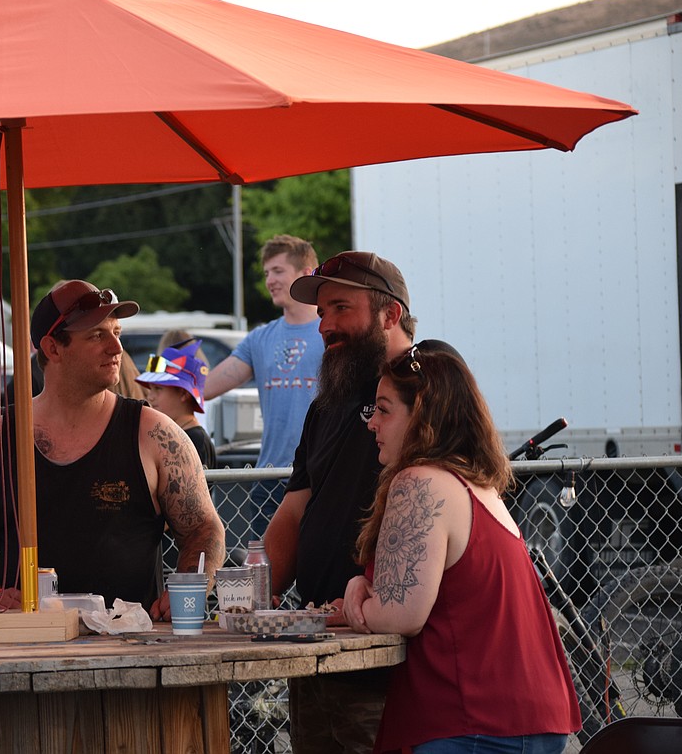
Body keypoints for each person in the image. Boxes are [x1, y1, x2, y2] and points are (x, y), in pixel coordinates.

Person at [0, 280, 225, 620]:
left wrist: (187, 589)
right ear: (53, 348)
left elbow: (204, 528)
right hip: (27, 645)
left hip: (131, 647)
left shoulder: (154, 433)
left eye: (116, 332)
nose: (116, 347)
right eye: (96, 335)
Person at [344, 343, 581, 753]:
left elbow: (401, 614)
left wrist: (356, 599)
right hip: (530, 717)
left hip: (474, 722)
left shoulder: (421, 481)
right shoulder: (478, 485)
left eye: (384, 409)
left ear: (422, 414)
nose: (372, 423)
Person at [264, 250, 416, 754]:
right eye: (322, 311)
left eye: (341, 308)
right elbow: (294, 509)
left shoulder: (428, 390)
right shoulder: (324, 407)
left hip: (388, 660)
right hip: (315, 647)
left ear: (389, 314)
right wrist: (252, 590)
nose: (325, 325)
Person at [203, 235, 322, 537]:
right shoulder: (260, 338)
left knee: (317, 579)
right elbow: (206, 386)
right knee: (265, 581)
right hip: (269, 479)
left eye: (278, 271)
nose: (270, 280)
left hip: (321, 475)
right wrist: (151, 393)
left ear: (307, 273)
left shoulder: (330, 331)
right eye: (267, 272)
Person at [135, 338, 216, 469]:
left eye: (158, 389)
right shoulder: (176, 434)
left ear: (184, 394)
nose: (150, 396)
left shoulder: (195, 440)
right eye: (150, 388)